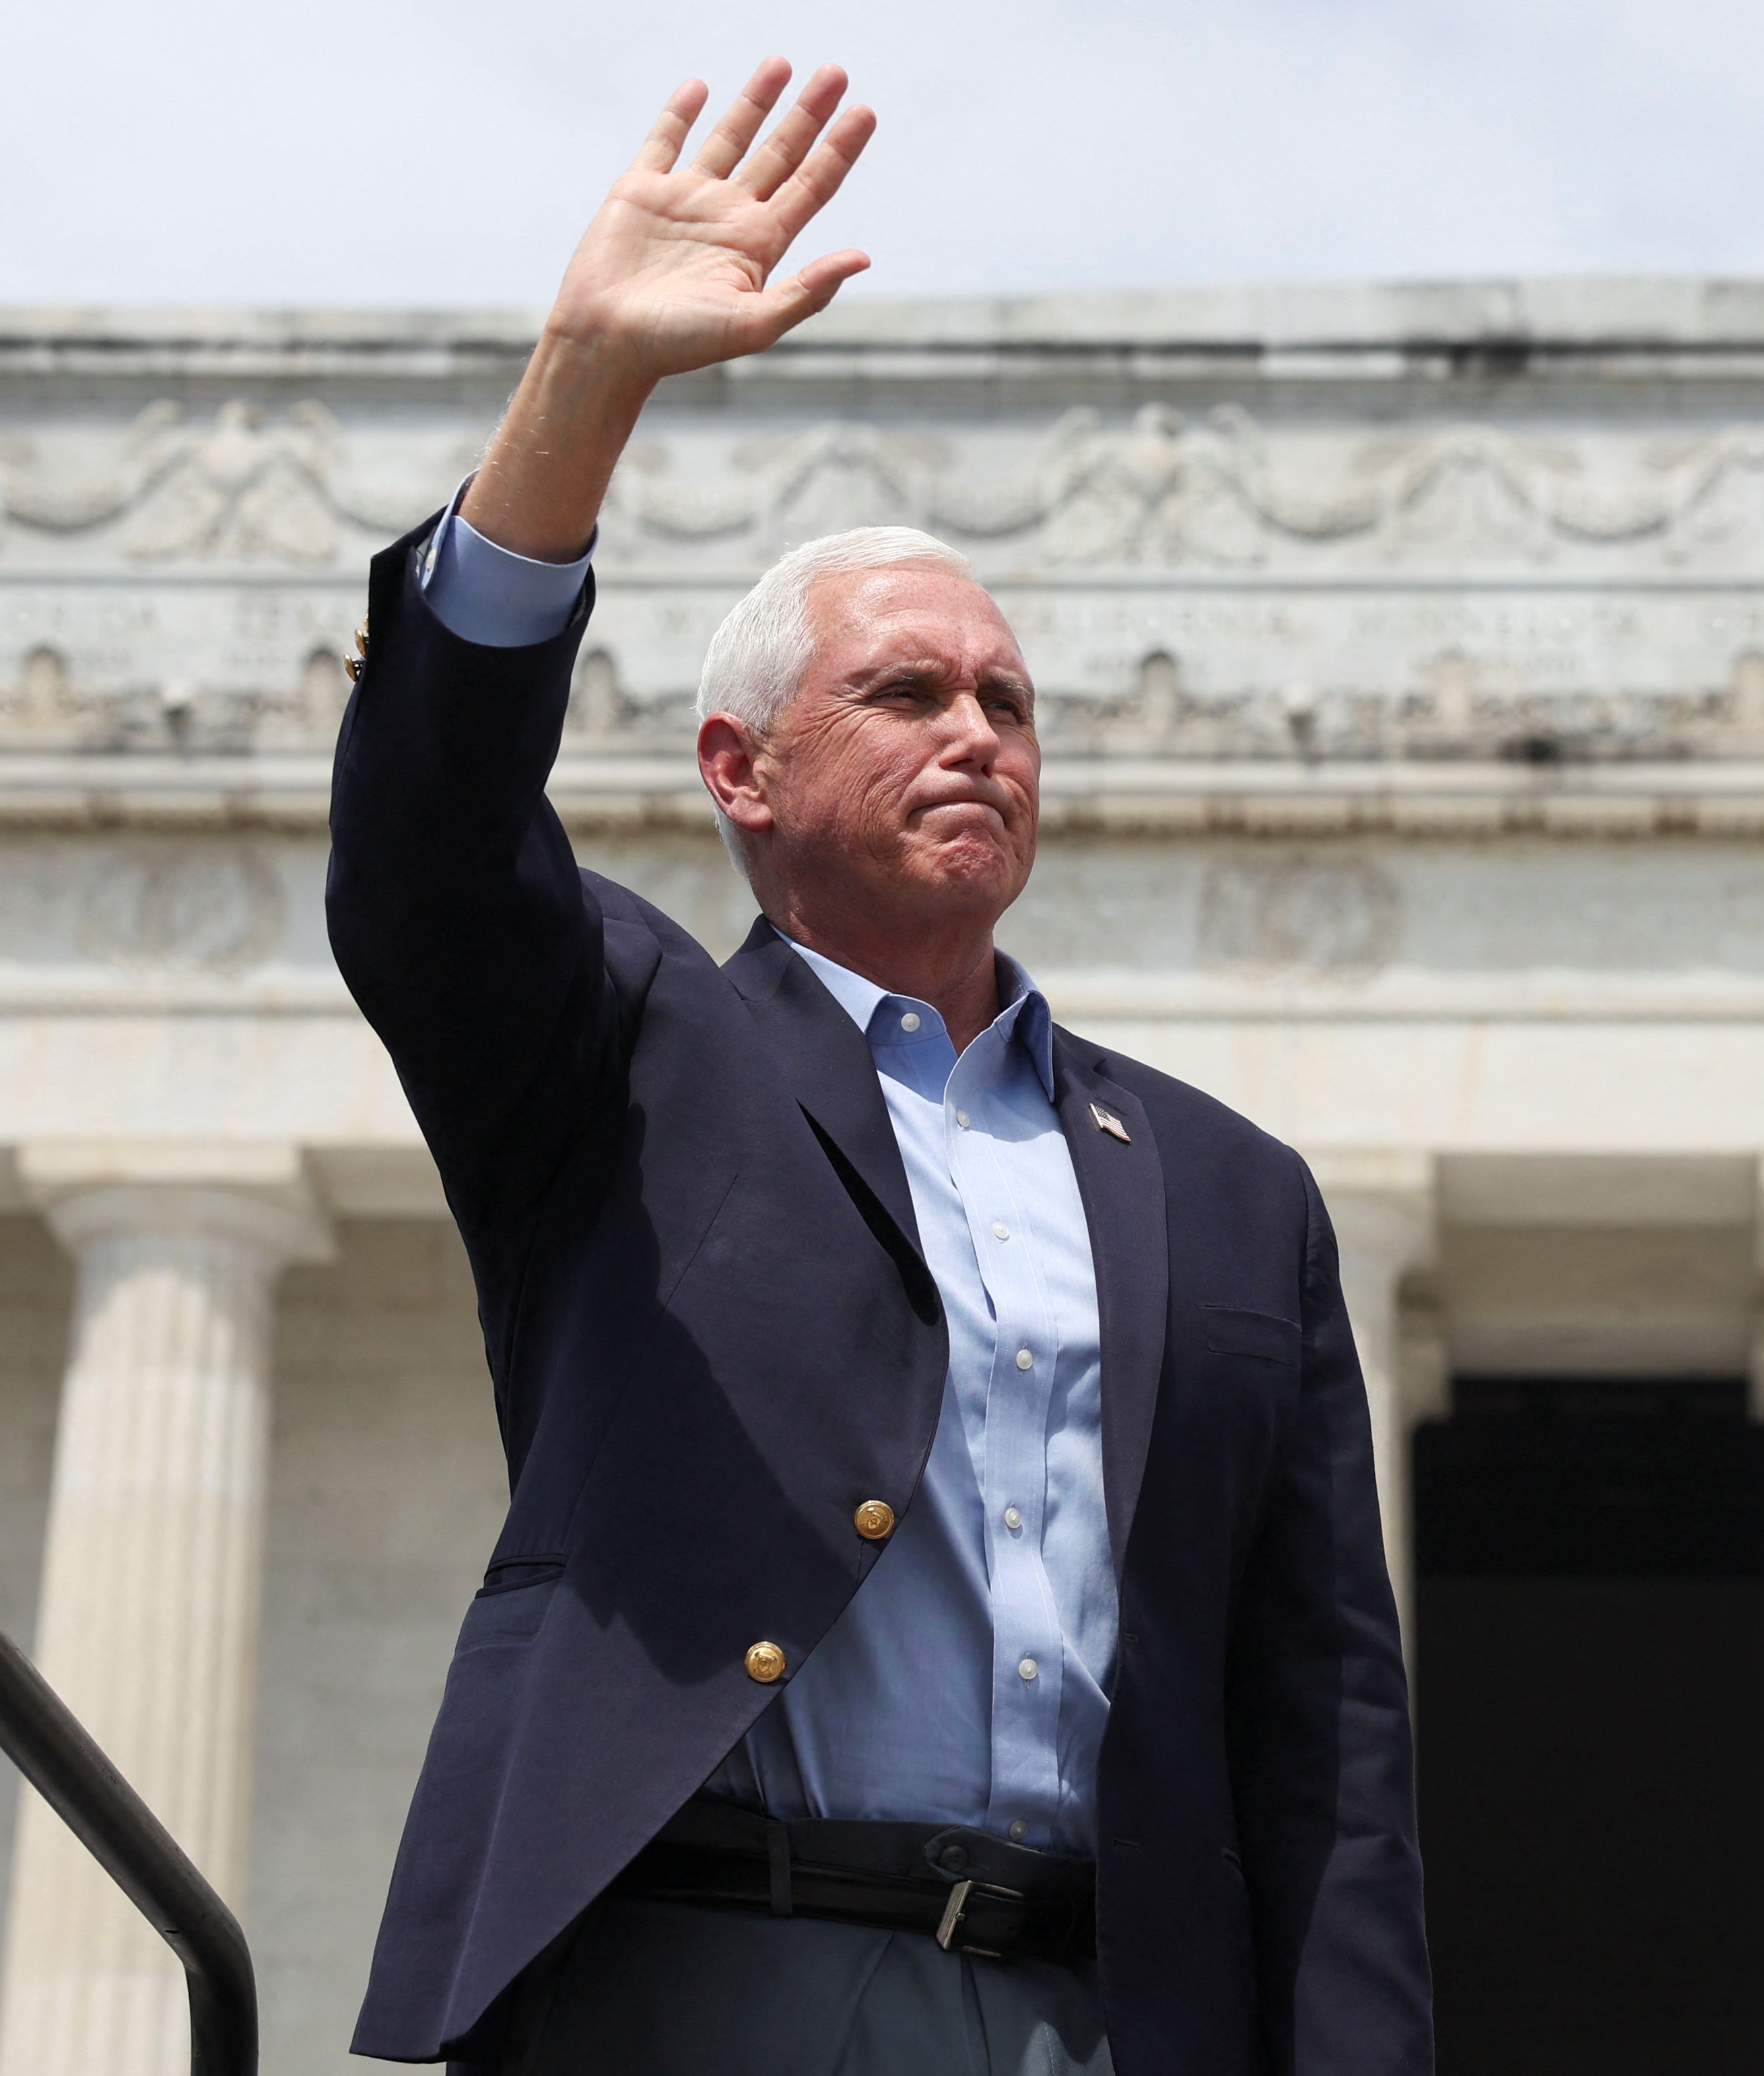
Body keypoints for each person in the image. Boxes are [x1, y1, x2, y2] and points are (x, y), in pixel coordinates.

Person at [327, 59, 1431, 2076]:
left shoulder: (1229, 1193)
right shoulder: (627, 1060)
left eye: (1008, 698)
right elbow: (425, 848)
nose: (980, 731)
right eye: (906, 691)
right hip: (709, 1978)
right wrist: (582, 384)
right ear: (740, 774)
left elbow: (1331, 1736)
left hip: (1100, 2009)